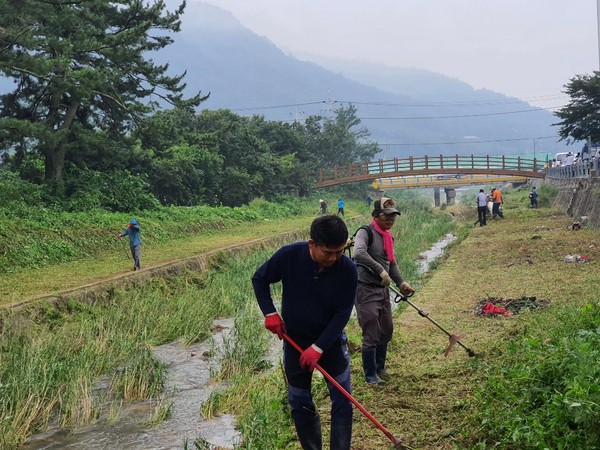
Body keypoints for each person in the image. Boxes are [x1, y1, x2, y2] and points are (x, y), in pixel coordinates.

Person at [252, 215, 357, 450]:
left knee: (342, 400)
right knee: (300, 402)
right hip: (295, 342)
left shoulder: (348, 270)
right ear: (312, 244)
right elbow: (260, 279)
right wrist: (269, 313)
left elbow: (342, 314)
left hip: (330, 343)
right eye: (328, 252)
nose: (334, 258)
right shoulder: (289, 256)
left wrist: (318, 347)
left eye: (339, 251)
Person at [353, 197, 414, 385]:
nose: (391, 220)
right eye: (387, 216)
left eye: (393, 217)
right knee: (371, 332)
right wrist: (379, 270)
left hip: (383, 291)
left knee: (386, 330)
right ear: (376, 215)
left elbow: (391, 263)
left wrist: (401, 282)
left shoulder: (388, 237)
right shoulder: (366, 232)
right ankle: (370, 375)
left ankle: (380, 367)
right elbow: (358, 253)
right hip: (366, 289)